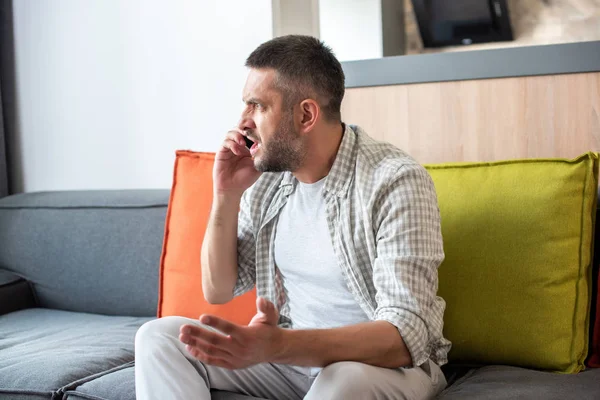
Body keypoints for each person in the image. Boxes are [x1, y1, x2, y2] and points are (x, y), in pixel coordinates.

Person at [135, 34, 451, 400]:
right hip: (292, 362)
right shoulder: (271, 184)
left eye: (257, 106)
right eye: (245, 105)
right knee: (158, 338)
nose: (242, 122)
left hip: (383, 369)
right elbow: (218, 289)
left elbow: (403, 336)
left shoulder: (394, 181)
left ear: (305, 114)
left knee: (343, 380)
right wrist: (226, 195)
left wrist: (278, 345)